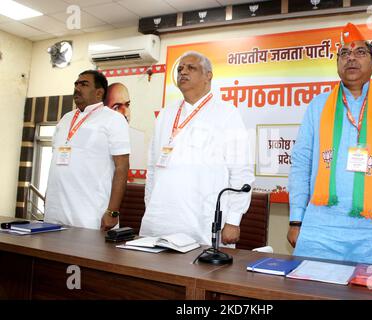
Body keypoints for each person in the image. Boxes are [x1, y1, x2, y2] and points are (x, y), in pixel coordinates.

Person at [287, 23, 372, 268]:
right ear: (337, 63)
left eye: (360, 53)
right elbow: (301, 164)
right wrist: (296, 220)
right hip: (321, 230)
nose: (351, 58)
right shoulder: (318, 106)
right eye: (344, 54)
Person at [140, 51, 254, 246]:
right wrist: (150, 206)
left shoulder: (227, 113)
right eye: (180, 69)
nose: (183, 72)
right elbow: (152, 168)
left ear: (208, 75)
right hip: (159, 220)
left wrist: (233, 220)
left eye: (190, 68)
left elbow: (241, 171)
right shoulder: (166, 114)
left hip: (202, 223)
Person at [45, 70, 130, 231]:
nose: (77, 88)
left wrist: (112, 212)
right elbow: (55, 162)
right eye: (76, 84)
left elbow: (122, 167)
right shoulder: (65, 119)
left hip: (88, 214)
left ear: (99, 92)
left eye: (84, 84)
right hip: (55, 211)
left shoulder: (114, 119)